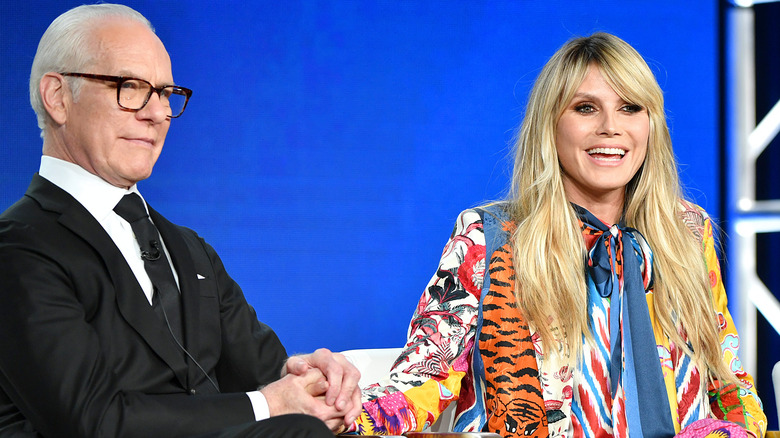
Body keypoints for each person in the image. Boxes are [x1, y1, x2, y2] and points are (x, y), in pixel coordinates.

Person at [347, 33, 766, 437]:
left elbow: (727, 376)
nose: (610, 127)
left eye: (630, 108)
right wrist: (342, 412)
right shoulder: (490, 237)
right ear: (551, 124)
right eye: (586, 108)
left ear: (651, 124)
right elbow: (425, 376)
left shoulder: (687, 231)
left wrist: (739, 431)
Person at [0, 4, 360, 437]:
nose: (157, 114)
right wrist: (271, 405)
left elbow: (267, 376)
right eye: (130, 86)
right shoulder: (18, 249)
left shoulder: (190, 250)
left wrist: (314, 381)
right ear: (58, 96)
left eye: (166, 93)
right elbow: (91, 421)